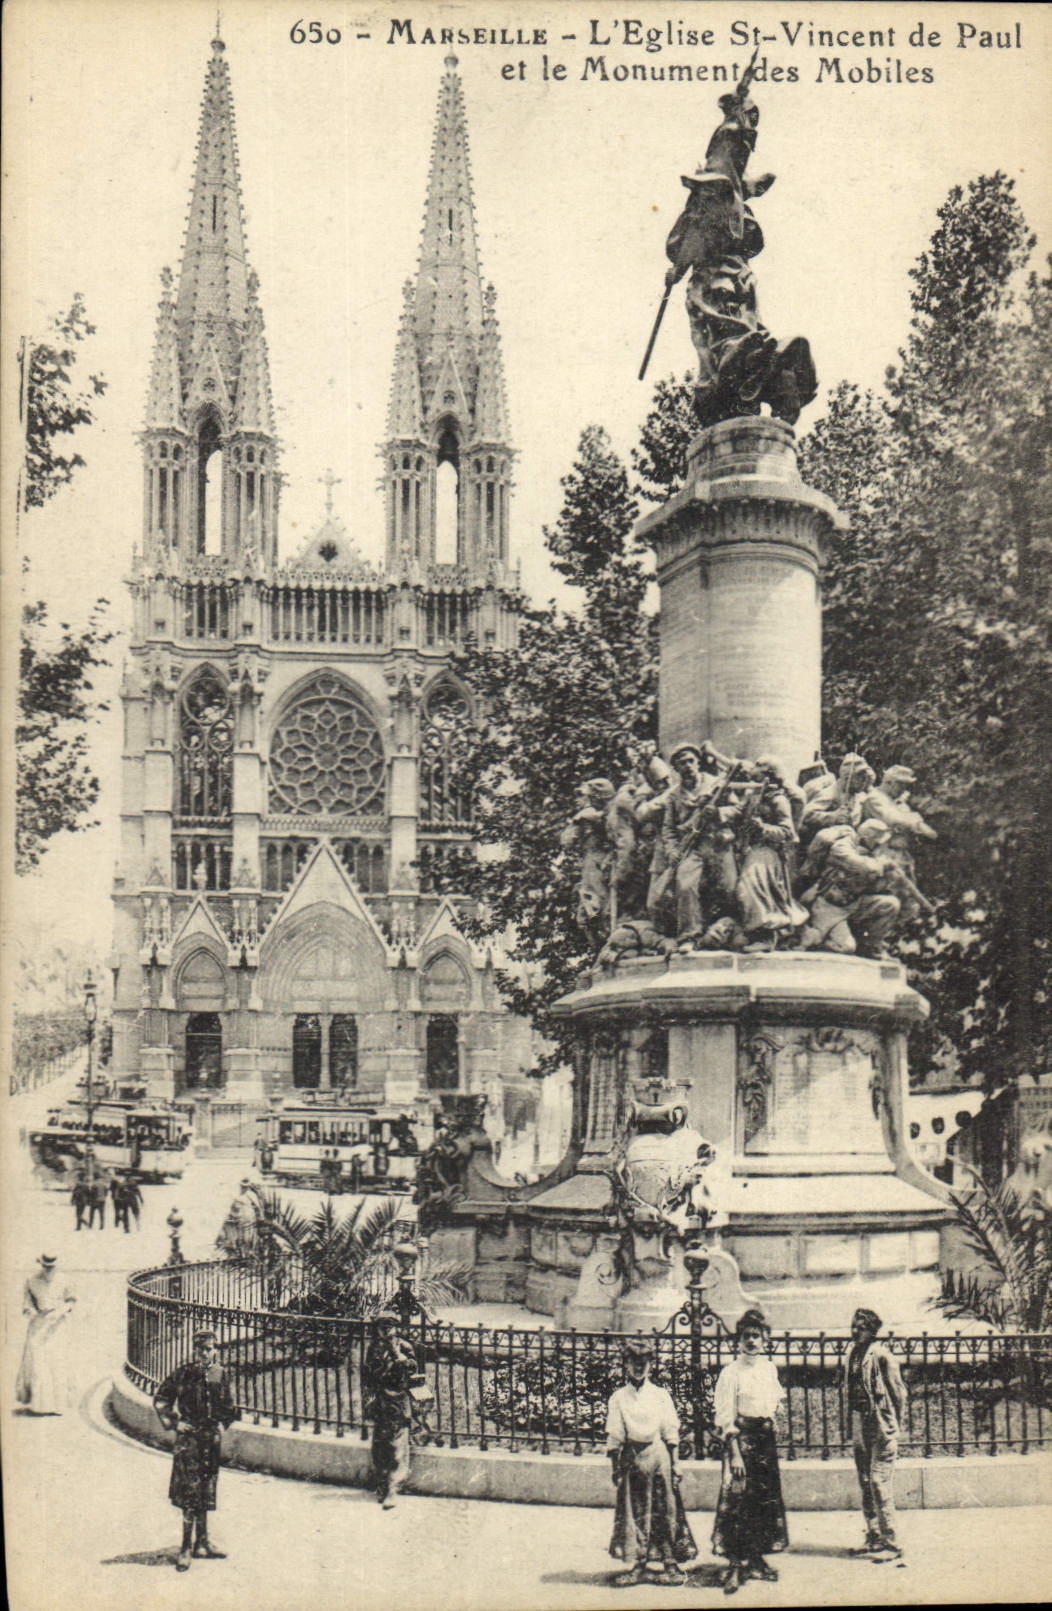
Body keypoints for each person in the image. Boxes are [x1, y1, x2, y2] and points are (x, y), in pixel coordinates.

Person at [605, 1336, 696, 1587]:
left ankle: (669, 1562)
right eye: (634, 1361)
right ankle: (638, 1565)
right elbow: (615, 1435)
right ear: (625, 1364)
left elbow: (670, 1430)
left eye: (644, 1362)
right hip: (633, 1457)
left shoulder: (660, 1395)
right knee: (636, 1512)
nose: (638, 1366)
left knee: (666, 1509)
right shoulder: (618, 1398)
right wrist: (616, 1467)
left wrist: (675, 1463)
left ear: (651, 1364)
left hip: (659, 1456)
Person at [711, 1309, 788, 1594]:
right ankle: (733, 1564)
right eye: (747, 1336)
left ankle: (755, 1559)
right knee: (737, 1500)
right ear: (738, 1340)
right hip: (741, 1442)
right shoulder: (730, 1373)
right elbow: (725, 1417)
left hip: (764, 1442)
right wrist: (735, 1453)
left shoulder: (768, 1368)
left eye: (757, 1335)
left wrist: (773, 1416)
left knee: (763, 1500)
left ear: (765, 1338)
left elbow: (776, 1397)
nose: (752, 1341)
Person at [153, 1328, 239, 1571]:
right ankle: (185, 1547)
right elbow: (162, 1399)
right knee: (189, 1491)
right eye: (200, 1349)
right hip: (188, 1439)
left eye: (209, 1349)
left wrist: (222, 1425)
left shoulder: (220, 1374)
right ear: (194, 1350)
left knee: (206, 1487)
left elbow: (229, 1405)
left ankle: (202, 1542)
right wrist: (174, 1422)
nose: (205, 1353)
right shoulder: (183, 1374)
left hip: (210, 1439)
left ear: (215, 1350)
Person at [844, 1306, 908, 1563]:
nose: (855, 1330)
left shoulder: (881, 1355)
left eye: (861, 1327)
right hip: (860, 1422)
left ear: (872, 1331)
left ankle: (891, 1542)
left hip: (880, 1425)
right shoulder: (853, 1354)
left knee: (879, 1482)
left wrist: (894, 1425)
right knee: (865, 1481)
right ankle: (873, 1536)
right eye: (854, 1325)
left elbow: (899, 1393)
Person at [362, 1310, 418, 1510]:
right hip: (380, 1402)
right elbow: (368, 1374)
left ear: (396, 1328)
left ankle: (392, 1489)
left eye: (389, 1327)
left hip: (397, 1402)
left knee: (396, 1448)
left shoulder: (404, 1347)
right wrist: (368, 1400)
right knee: (379, 1446)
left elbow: (412, 1370)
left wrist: (397, 1356)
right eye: (381, 1327)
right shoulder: (374, 1349)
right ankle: (381, 1484)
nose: (385, 1332)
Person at [15, 1255, 76, 1415]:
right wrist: (31, 1312)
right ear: (41, 1265)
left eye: (52, 1267)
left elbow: (71, 1301)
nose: (48, 1270)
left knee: (57, 1362)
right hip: (38, 1325)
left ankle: (58, 1406)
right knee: (38, 1363)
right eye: (46, 1266)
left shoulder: (65, 1280)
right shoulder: (31, 1280)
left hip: (58, 1325)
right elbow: (27, 1302)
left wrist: (59, 1312)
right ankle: (40, 1405)